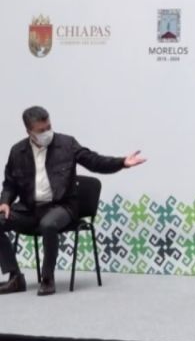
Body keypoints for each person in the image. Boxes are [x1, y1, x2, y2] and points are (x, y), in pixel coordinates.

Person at [0, 106, 146, 296]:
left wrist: (121, 163)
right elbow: (10, 183)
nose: (47, 133)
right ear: (29, 131)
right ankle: (15, 277)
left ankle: (47, 278)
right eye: (41, 130)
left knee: (48, 224)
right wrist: (5, 201)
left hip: (61, 206)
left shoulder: (66, 144)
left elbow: (93, 160)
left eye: (49, 127)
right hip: (29, 209)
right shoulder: (17, 151)